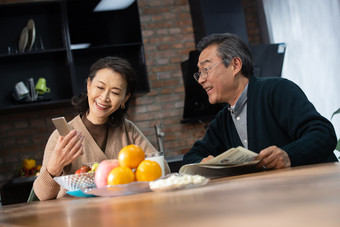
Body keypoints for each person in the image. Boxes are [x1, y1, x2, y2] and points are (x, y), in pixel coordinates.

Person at [182, 33, 338, 169]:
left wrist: (289, 155)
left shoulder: (277, 90)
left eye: (206, 69)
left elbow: (324, 134)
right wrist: (204, 162)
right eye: (199, 73)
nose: (201, 80)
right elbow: (191, 157)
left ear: (235, 65)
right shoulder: (223, 120)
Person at [34, 56, 169, 200]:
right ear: (88, 85)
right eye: (100, 87)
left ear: (125, 98)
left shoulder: (128, 130)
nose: (104, 98)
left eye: (115, 92)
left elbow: (162, 171)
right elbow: (42, 196)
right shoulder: (61, 136)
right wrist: (54, 168)